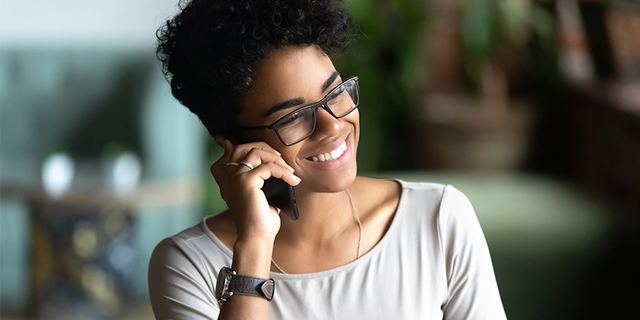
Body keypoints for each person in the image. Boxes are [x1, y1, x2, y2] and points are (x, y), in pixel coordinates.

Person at [148, 0, 507, 319]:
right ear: (232, 144)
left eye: (335, 92)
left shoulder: (438, 220)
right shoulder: (188, 264)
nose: (333, 125)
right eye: (291, 117)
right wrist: (255, 244)